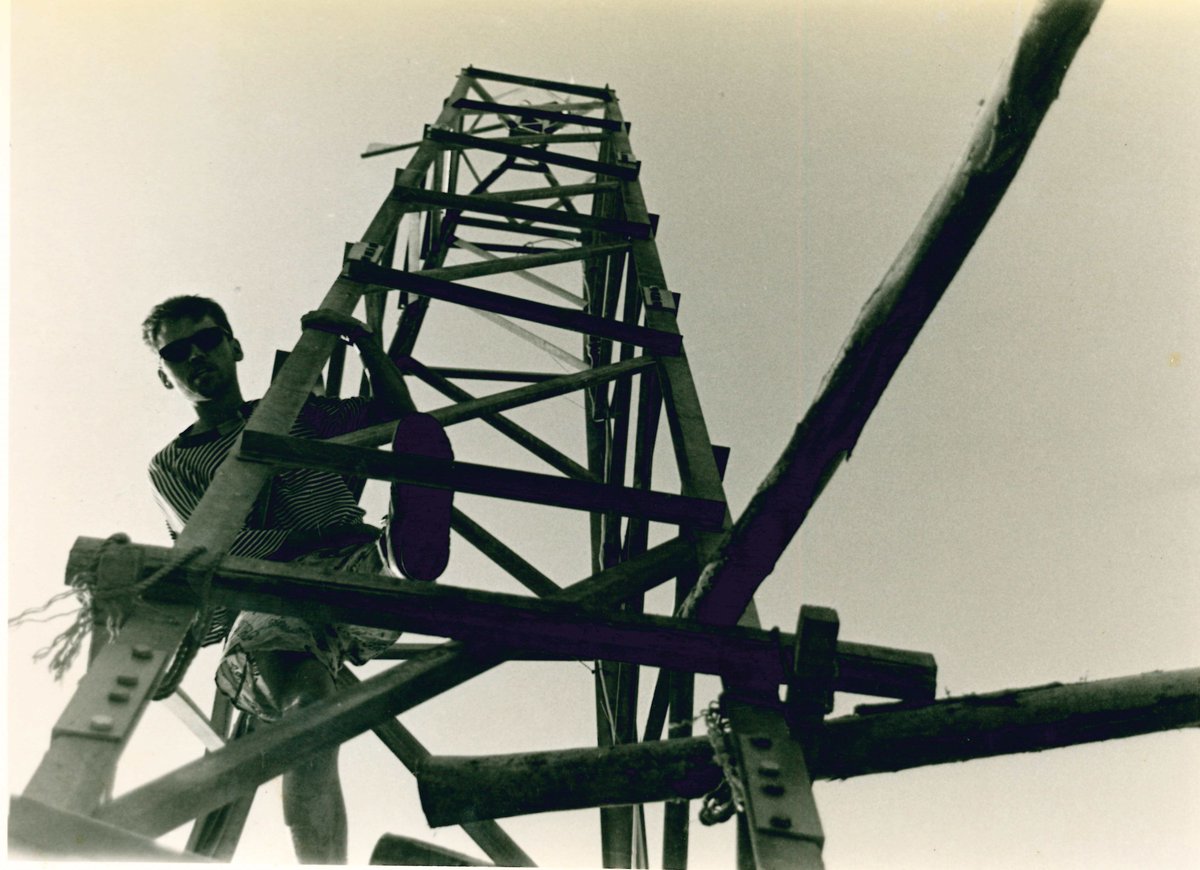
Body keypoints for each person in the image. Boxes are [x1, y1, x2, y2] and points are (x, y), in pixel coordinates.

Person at [142, 295, 452, 863]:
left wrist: (359, 339)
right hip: (269, 588)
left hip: (351, 562)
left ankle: (405, 548)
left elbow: (398, 415)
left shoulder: (296, 411)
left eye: (206, 340)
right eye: (177, 353)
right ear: (165, 375)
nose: (196, 357)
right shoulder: (174, 462)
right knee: (311, 713)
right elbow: (216, 542)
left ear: (233, 346)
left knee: (416, 451)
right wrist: (305, 541)